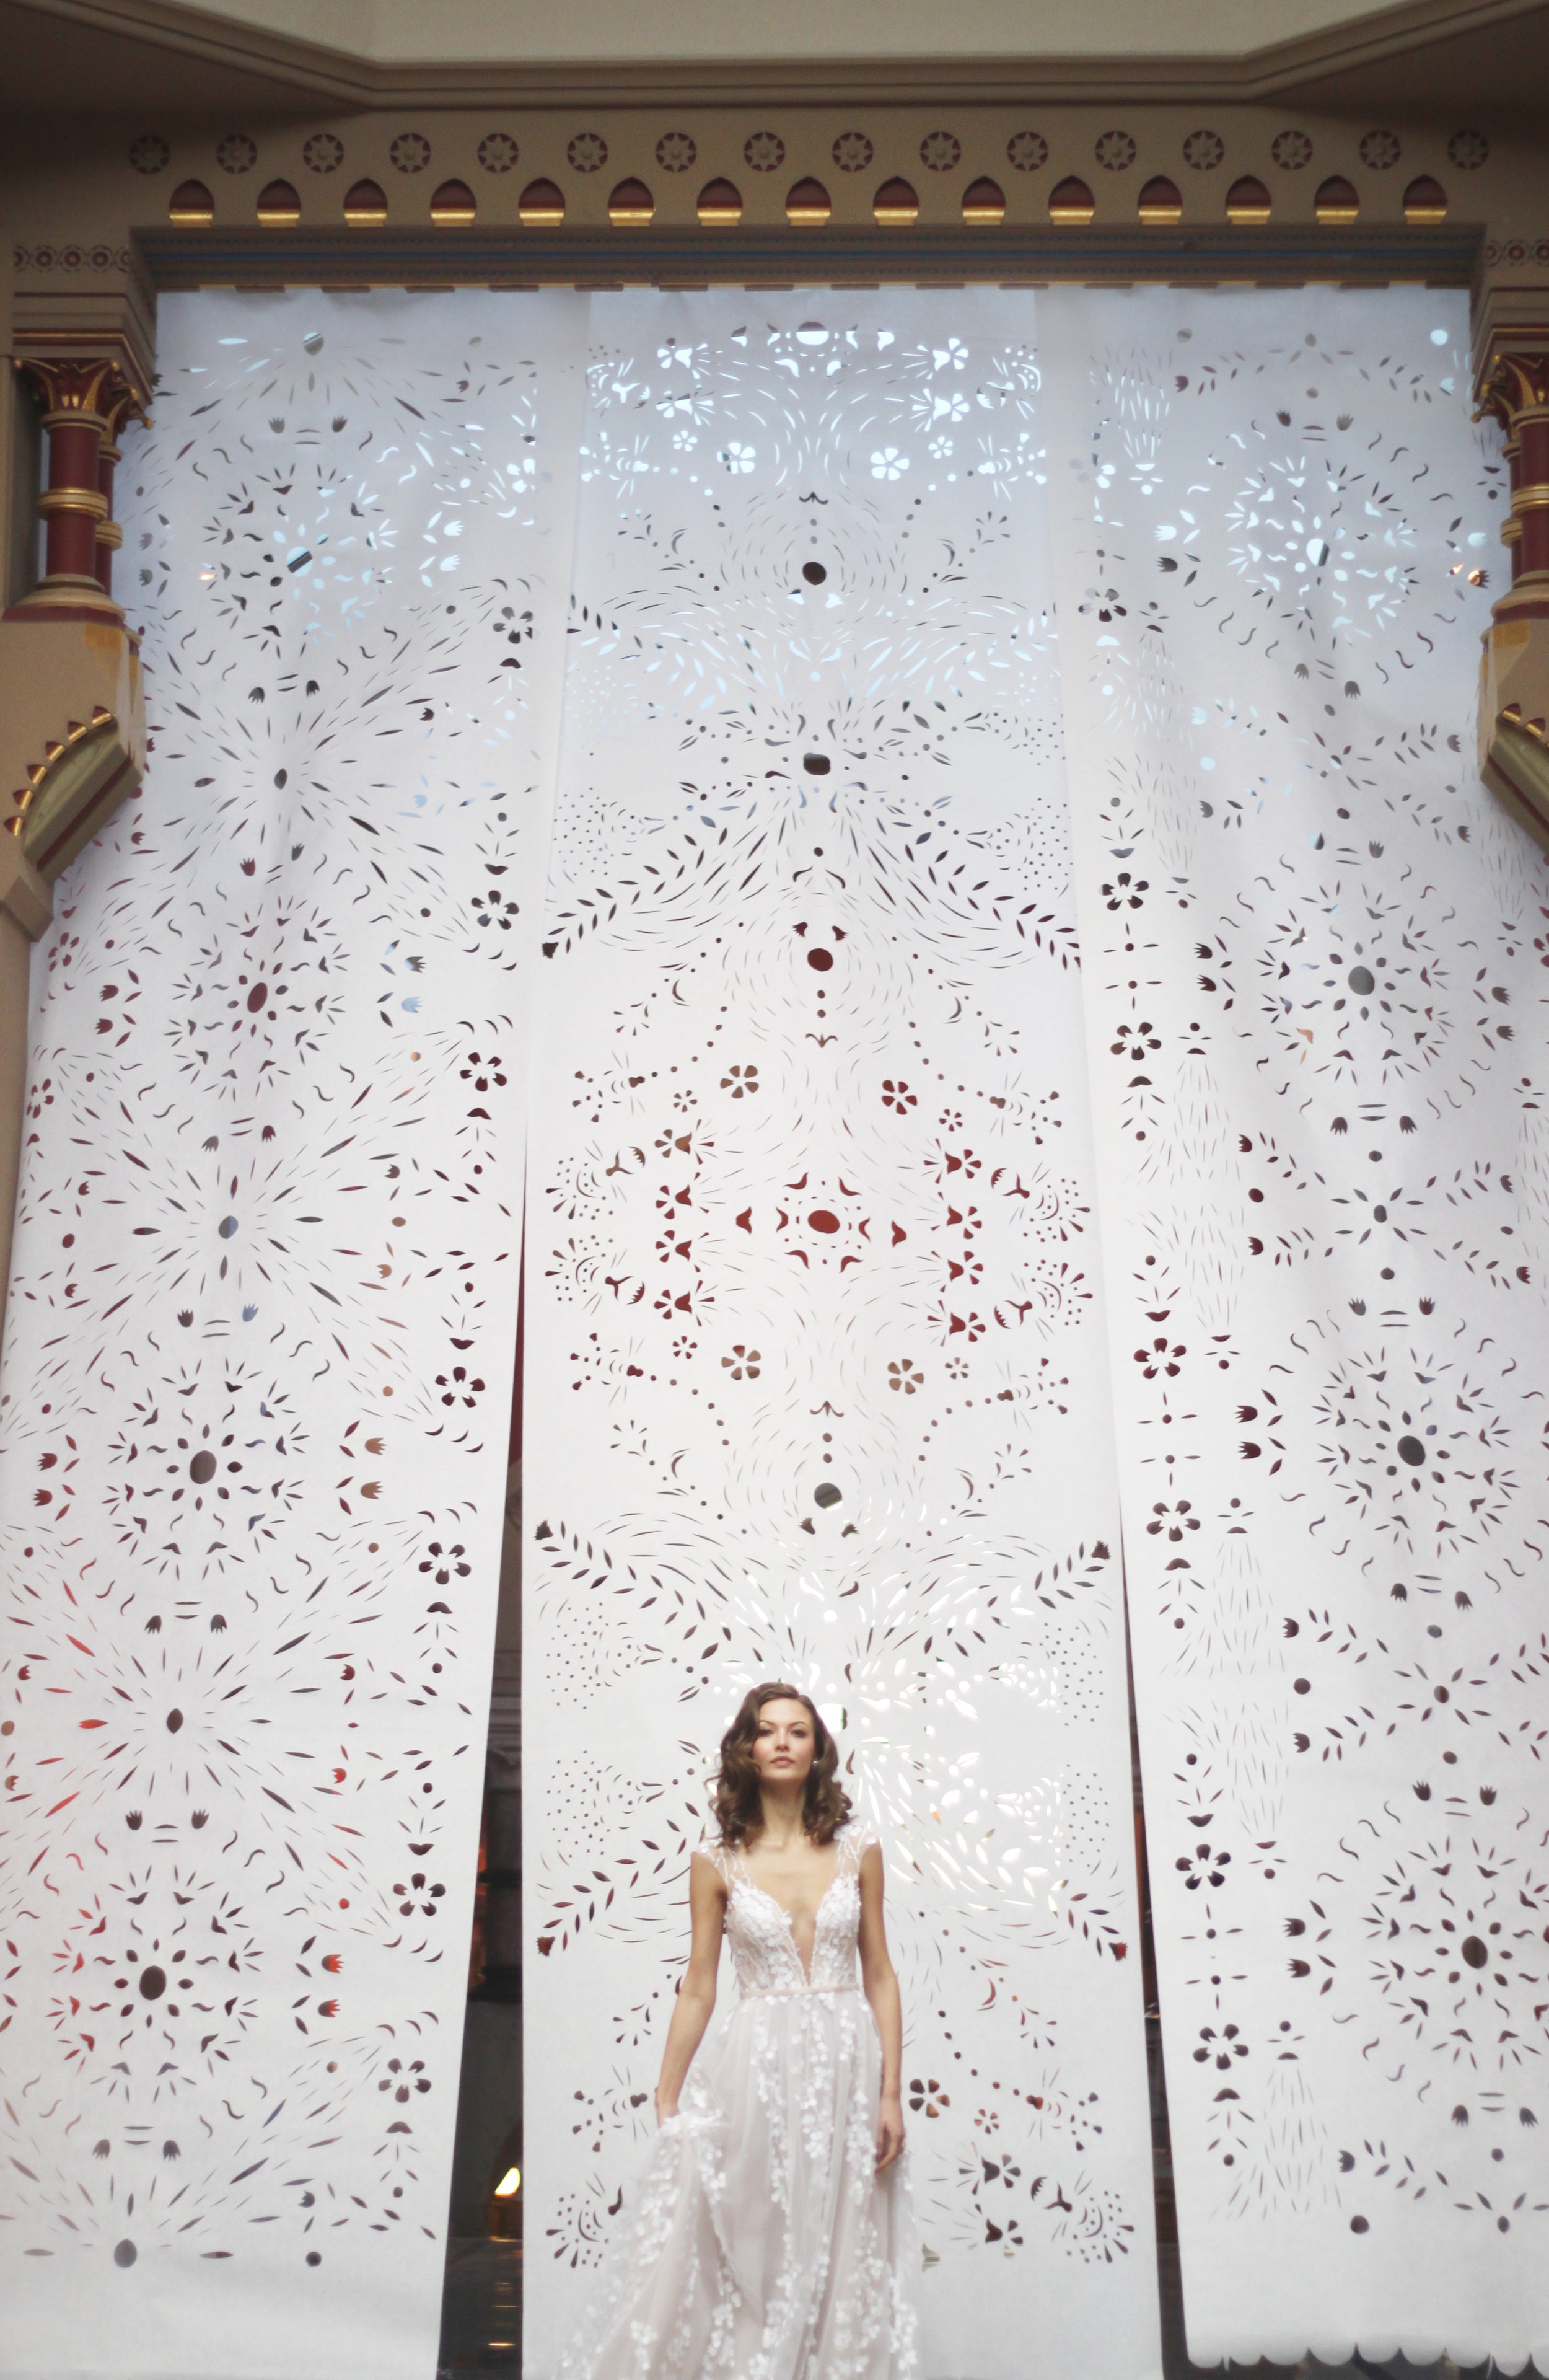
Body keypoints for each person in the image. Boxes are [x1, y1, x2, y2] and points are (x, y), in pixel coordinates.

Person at [555, 1681, 920, 2380]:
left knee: (847, 2252)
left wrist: (890, 2092)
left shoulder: (859, 1848)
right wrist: (667, 2093)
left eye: (798, 1731)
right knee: (755, 2250)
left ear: (818, 1753)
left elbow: (880, 1973)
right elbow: (699, 1983)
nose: (782, 1741)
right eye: (766, 1730)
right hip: (755, 2069)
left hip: (848, 2066)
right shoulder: (715, 1860)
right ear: (747, 1750)